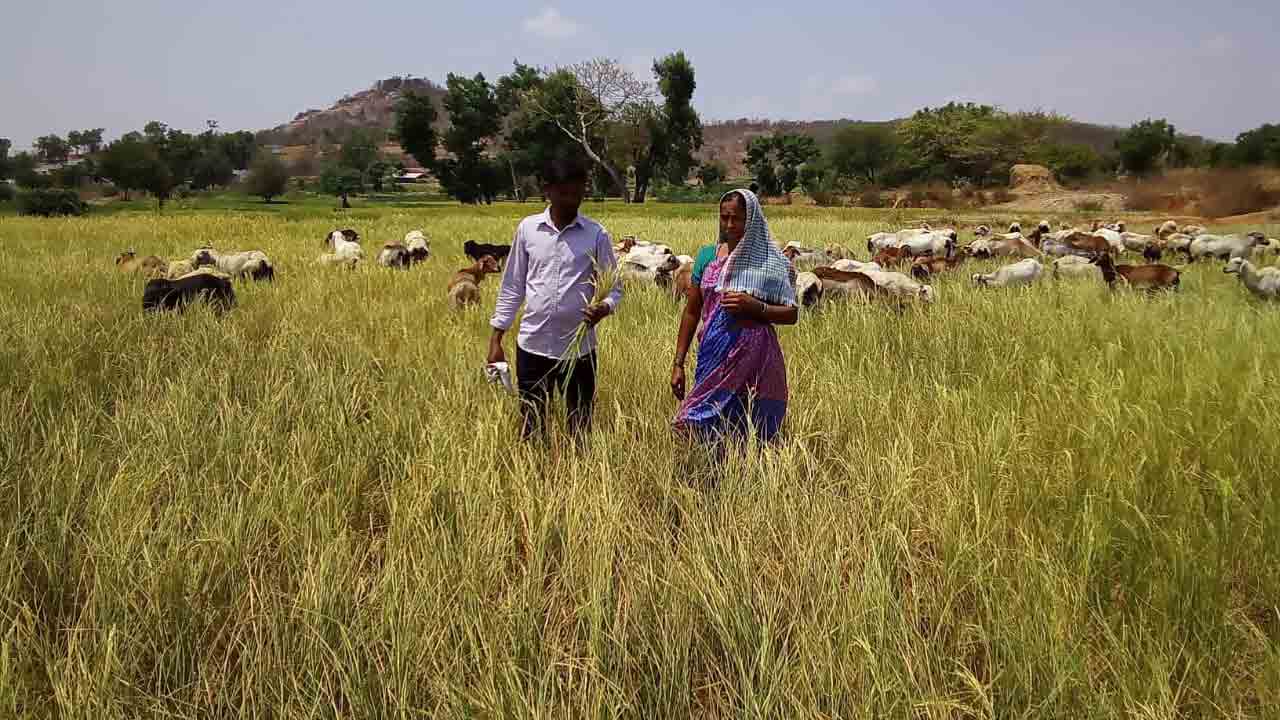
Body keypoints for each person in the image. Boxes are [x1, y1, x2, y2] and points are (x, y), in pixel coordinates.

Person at [488, 156, 623, 440]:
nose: (572, 199)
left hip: (579, 350)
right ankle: (538, 476)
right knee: (532, 423)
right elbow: (512, 286)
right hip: (533, 345)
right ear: (547, 190)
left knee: (580, 425)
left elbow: (615, 288)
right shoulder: (528, 229)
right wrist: (495, 340)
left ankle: (576, 479)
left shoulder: (596, 235)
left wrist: (604, 307)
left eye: (578, 192)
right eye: (564, 192)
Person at [671, 189, 798, 445]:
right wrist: (678, 362)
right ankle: (708, 476)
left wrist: (755, 306)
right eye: (724, 217)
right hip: (714, 355)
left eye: (736, 218)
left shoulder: (770, 261)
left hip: (758, 358)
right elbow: (693, 310)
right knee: (697, 420)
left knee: (751, 426)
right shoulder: (707, 257)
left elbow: (791, 314)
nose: (729, 225)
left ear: (751, 219)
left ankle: (746, 478)